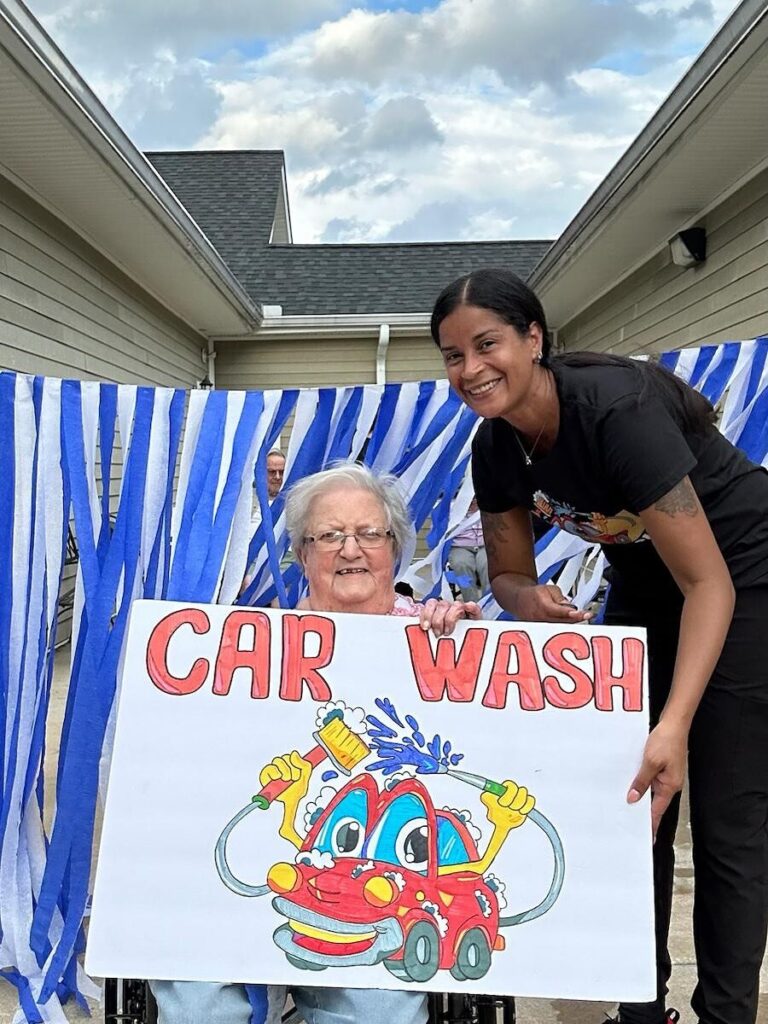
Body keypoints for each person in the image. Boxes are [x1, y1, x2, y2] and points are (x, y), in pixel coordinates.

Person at [431, 267, 768, 1024]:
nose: (471, 369)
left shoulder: (616, 412)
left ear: (534, 339)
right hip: (645, 589)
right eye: (453, 355)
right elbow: (510, 576)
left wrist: (673, 725)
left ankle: (726, 1014)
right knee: (629, 811)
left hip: (743, 576)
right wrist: (533, 602)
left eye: (487, 344)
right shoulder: (496, 447)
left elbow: (709, 585)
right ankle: (640, 1011)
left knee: (728, 816)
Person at [151, 462, 483, 1024]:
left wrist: (464, 633)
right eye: (329, 535)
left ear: (395, 548)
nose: (350, 549)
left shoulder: (437, 635)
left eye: (369, 533)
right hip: (269, 865)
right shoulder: (254, 643)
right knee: (197, 1002)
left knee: (374, 1014)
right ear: (303, 555)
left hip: (381, 882)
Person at [448, 496, 489, 602]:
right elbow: (439, 531)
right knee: (460, 565)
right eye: (469, 498)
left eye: (475, 498)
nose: (472, 501)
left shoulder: (489, 507)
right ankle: (471, 603)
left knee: (487, 564)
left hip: (485, 545)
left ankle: (489, 603)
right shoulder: (452, 509)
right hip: (460, 547)